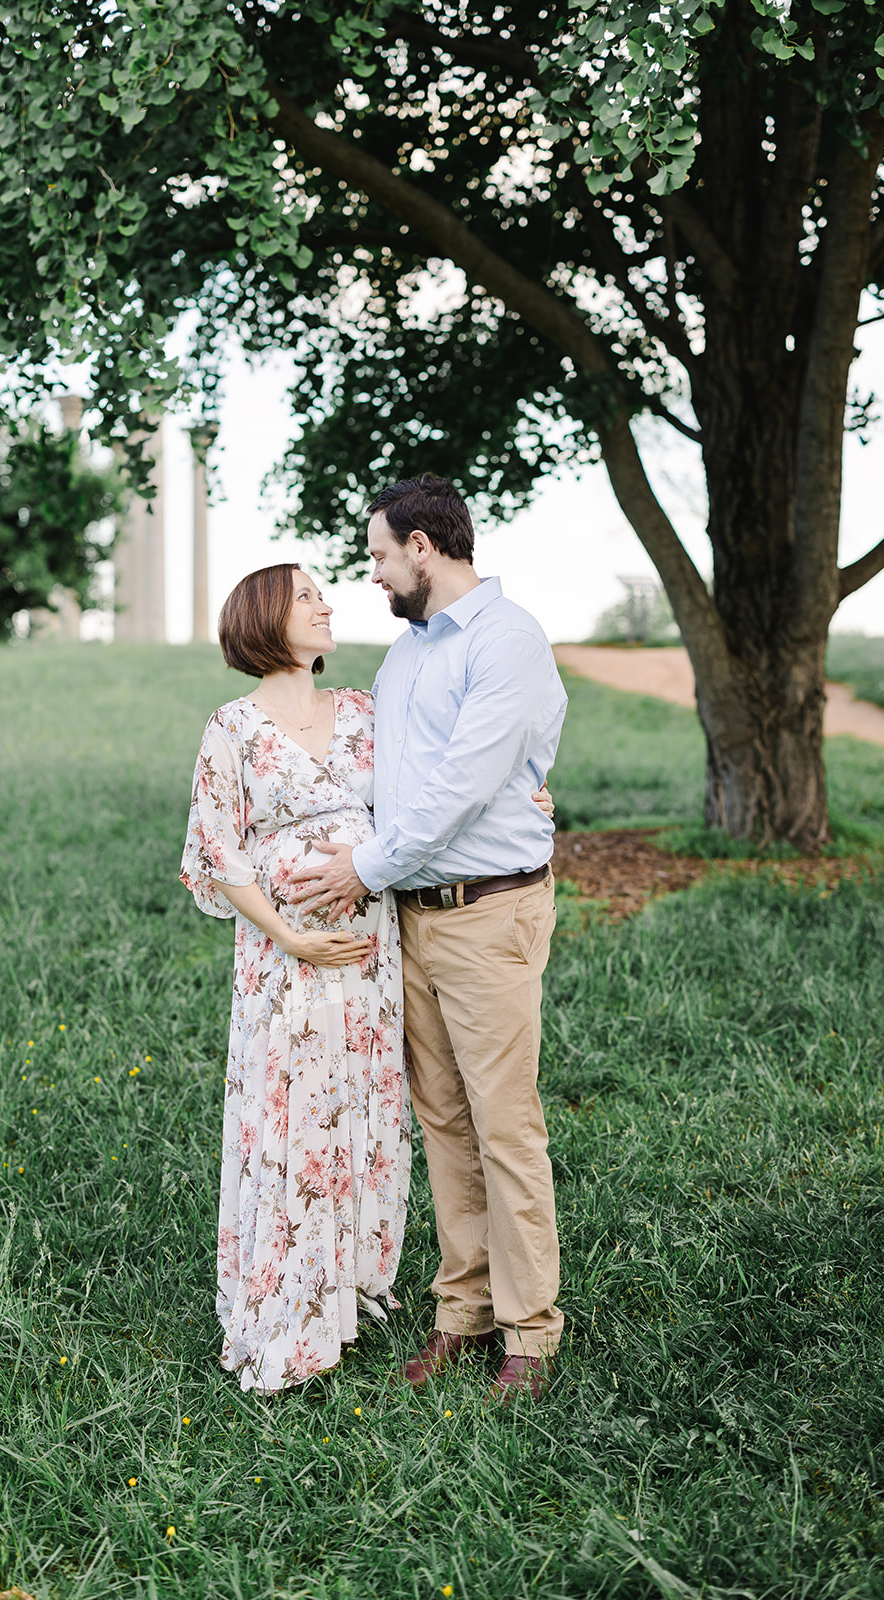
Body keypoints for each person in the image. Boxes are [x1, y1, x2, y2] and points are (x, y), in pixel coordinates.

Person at [290, 474, 568, 1402]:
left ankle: (528, 1332)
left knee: (503, 1123)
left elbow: (460, 788)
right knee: (443, 1122)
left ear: (421, 545)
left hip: (488, 911)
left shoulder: (507, 639)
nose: (369, 575)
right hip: (411, 916)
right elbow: (394, 782)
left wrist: (362, 866)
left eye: (375, 555)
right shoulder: (405, 657)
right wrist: (340, 841)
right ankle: (463, 1310)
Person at [179, 563, 411, 1393]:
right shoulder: (233, 727)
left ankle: (349, 1283)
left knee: (362, 1101)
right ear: (267, 618)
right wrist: (289, 937)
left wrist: (525, 799)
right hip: (285, 964)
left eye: (323, 593)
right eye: (307, 595)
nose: (325, 604)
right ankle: (286, 1295)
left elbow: (426, 800)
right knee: (292, 1108)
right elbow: (219, 853)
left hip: (369, 958)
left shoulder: (363, 713)